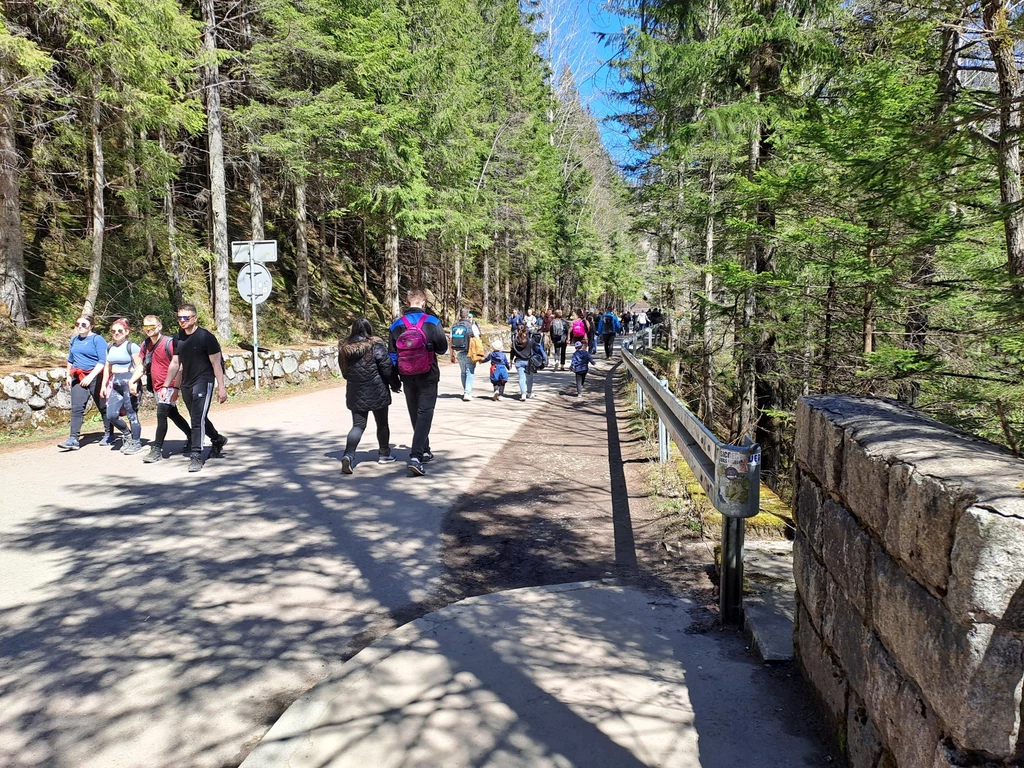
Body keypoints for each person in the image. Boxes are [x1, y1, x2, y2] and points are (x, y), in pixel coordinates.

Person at [161, 303, 228, 473]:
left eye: (185, 317)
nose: (181, 321)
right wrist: (167, 386)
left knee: (197, 419)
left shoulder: (207, 337)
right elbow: (175, 363)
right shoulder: (178, 338)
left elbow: (216, 364)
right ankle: (217, 439)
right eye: (179, 318)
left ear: (195, 318)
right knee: (198, 417)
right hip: (186, 383)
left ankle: (196, 455)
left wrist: (222, 387)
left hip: (204, 381)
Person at [389, 288, 448, 477]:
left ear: (407, 303)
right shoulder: (432, 321)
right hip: (428, 374)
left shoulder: (396, 325)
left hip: (406, 375)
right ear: (423, 303)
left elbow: (392, 354)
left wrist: (394, 380)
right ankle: (416, 456)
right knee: (425, 413)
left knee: (415, 413)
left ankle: (425, 449)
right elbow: (442, 349)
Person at [338, 318, 396, 474]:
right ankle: (384, 454)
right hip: (377, 390)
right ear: (369, 329)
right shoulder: (375, 345)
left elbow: (344, 372)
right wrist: (395, 384)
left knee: (358, 425)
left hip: (355, 391)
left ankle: (349, 455)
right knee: (382, 423)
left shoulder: (344, 348)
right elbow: (387, 367)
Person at [140, 315, 192, 462]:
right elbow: (142, 365)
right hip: (157, 387)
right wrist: (132, 380)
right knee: (172, 413)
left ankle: (156, 448)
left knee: (162, 413)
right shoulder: (145, 345)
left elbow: (179, 366)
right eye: (146, 326)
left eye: (152, 326)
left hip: (169, 386)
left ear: (160, 326)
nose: (149, 329)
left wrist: (175, 387)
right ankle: (192, 435)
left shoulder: (169, 343)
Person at [59, 315, 113, 450]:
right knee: (77, 408)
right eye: (77, 324)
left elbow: (103, 361)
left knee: (103, 407)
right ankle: (73, 439)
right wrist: (68, 375)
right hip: (78, 376)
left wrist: (91, 376)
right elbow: (70, 359)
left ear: (91, 326)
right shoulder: (74, 340)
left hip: (96, 376)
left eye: (83, 324)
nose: (80, 327)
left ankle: (108, 434)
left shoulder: (97, 340)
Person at [101, 318, 144, 455]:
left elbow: (140, 366)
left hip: (129, 380)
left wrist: (133, 383)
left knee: (132, 414)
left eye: (120, 331)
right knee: (111, 415)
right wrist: (103, 385)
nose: (116, 333)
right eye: (113, 331)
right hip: (115, 382)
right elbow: (107, 368)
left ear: (126, 332)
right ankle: (127, 433)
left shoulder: (132, 346)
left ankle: (136, 442)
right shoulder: (109, 347)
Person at [449, 308, 481, 401]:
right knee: (470, 372)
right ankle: (467, 393)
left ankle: (465, 391)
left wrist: (452, 354)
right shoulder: (472, 326)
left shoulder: (455, 326)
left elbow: (450, 340)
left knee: (463, 373)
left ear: (460, 315)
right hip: (469, 352)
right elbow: (477, 339)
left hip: (459, 352)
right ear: (468, 316)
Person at [510, 325, 543, 401]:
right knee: (529, 378)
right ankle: (529, 392)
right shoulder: (530, 340)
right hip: (528, 362)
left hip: (518, 361)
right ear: (526, 331)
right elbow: (536, 349)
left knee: (522, 378)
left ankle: (523, 394)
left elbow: (512, 351)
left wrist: (511, 361)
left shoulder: (515, 341)